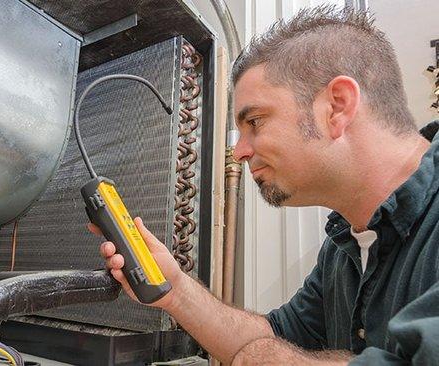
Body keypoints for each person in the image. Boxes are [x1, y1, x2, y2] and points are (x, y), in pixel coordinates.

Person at [90, 5, 439, 365]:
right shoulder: (343, 247)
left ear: (337, 106)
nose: (239, 152)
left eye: (255, 121)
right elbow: (278, 337)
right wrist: (174, 290)